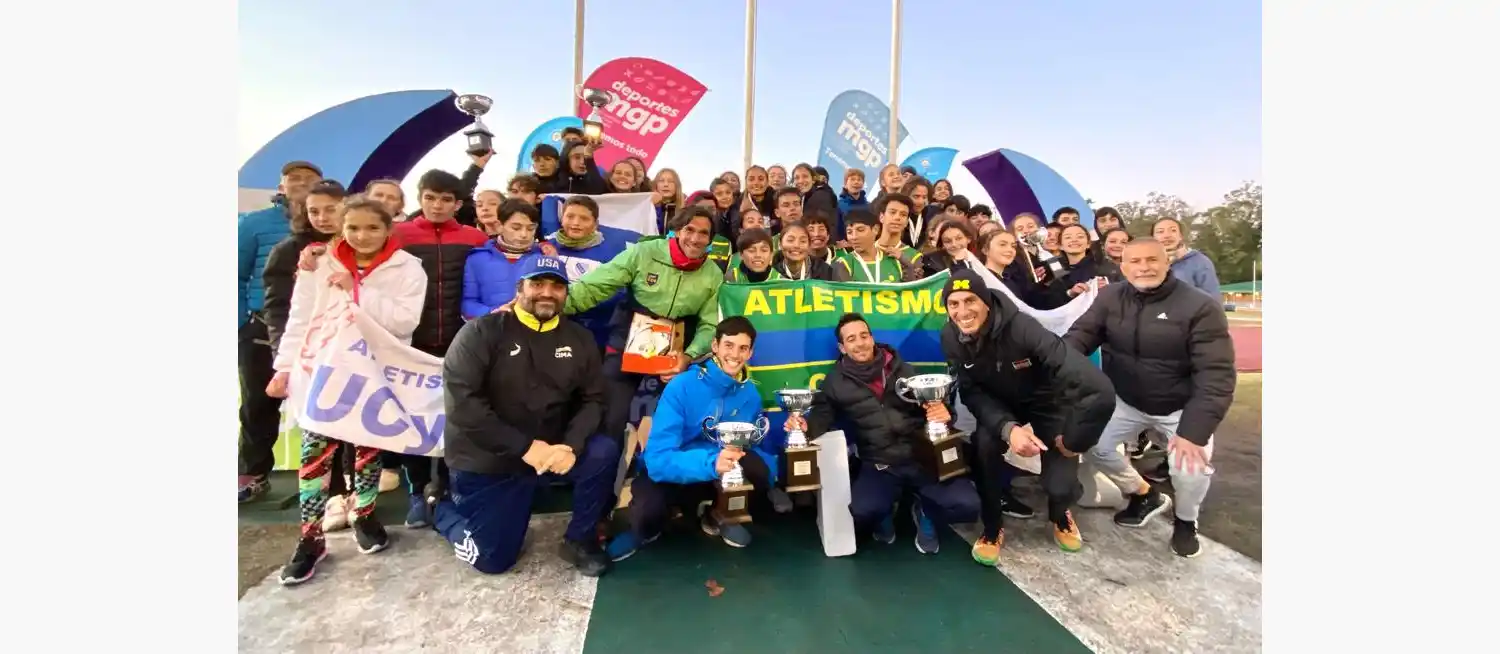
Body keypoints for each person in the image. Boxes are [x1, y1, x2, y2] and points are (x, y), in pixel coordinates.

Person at [268, 197, 428, 585]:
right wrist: (284, 367)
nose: (362, 236)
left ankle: (365, 514)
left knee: (368, 447)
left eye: (373, 228)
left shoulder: (408, 267)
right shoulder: (319, 263)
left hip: (374, 371)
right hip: (322, 371)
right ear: (341, 228)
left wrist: (359, 290)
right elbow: (299, 318)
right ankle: (310, 537)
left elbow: (405, 321)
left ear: (389, 229)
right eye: (353, 227)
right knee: (315, 453)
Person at [436, 256, 617, 576]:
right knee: (492, 560)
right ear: (519, 289)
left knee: (602, 451)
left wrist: (571, 446)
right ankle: (441, 508)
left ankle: (580, 538)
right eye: (537, 284)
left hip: (551, 451)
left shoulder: (580, 338)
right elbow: (464, 407)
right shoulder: (480, 332)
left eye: (557, 286)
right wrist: (525, 448)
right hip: (492, 458)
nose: (547, 292)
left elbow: (593, 400)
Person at [1063, 238, 1236, 558]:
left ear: (1167, 262)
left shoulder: (1200, 306)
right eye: (1135, 261)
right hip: (1127, 400)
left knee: (1189, 467)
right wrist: (1052, 363)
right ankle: (1143, 494)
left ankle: (1186, 521)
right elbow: (1080, 337)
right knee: (1092, 443)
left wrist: (1194, 432)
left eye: (1152, 260)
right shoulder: (1110, 297)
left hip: (1180, 407)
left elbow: (1216, 375)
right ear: (1123, 266)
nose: (1144, 267)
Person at [939, 267, 1116, 563]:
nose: (962, 311)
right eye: (953, 304)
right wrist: (1008, 429)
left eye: (970, 300)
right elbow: (971, 392)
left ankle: (1060, 515)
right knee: (984, 449)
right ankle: (992, 527)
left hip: (1046, 399)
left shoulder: (1022, 327)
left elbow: (1099, 391)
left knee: (1060, 485)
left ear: (986, 302)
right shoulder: (950, 336)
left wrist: (1075, 441)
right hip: (1000, 405)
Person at [792, 313, 981, 555]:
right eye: (851, 339)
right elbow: (821, 416)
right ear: (842, 347)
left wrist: (945, 413)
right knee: (862, 512)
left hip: (921, 457)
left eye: (864, 336)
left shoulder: (903, 369)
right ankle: (884, 514)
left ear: (872, 338)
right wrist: (804, 428)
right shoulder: (835, 382)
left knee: (967, 505)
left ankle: (925, 511)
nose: (860, 343)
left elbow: (938, 406)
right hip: (879, 463)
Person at [606, 317, 778, 558]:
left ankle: (717, 513)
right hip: (678, 469)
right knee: (648, 512)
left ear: (750, 353)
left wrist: (773, 469)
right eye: (728, 345)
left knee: (756, 469)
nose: (735, 354)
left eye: (743, 348)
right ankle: (644, 530)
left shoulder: (750, 394)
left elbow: (755, 445)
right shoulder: (682, 386)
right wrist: (711, 463)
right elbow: (658, 460)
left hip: (717, 471)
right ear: (715, 346)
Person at [560, 206, 725, 446]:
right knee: (610, 411)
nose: (695, 238)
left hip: (675, 350)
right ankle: (604, 458)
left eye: (703, 233)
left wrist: (689, 356)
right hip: (629, 337)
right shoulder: (644, 252)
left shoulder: (713, 274)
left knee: (669, 421)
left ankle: (657, 463)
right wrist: (556, 305)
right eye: (689, 230)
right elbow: (596, 285)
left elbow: (710, 324)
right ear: (677, 230)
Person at [262, 180, 366, 527]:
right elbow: (286, 312)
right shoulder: (297, 254)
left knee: (359, 426)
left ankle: (358, 495)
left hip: (358, 354)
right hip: (314, 357)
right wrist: (285, 362)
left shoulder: (367, 248)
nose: (322, 217)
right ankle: (332, 496)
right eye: (314, 211)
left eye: (330, 209)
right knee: (321, 428)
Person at [389, 170, 490, 525]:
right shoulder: (398, 234)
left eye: (446, 199)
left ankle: (448, 488)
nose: (437, 205)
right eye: (430, 197)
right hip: (410, 344)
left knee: (457, 418)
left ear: (458, 204)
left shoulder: (475, 238)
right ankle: (418, 492)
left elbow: (504, 260)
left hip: (460, 343)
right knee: (413, 420)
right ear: (419, 198)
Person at [238, 160, 322, 503]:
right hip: (262, 328)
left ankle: (327, 482)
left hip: (319, 331)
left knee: (323, 407)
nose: (301, 183)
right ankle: (252, 474)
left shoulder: (332, 226)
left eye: (309, 179)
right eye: (293, 179)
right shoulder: (254, 223)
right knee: (258, 404)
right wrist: (241, 322)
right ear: (281, 187)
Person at [545, 195, 631, 348]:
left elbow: (617, 292)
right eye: (570, 216)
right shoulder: (546, 248)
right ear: (562, 219)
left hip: (597, 333)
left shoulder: (612, 253)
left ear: (595, 224)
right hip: (551, 330)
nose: (576, 223)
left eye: (584, 218)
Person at [461, 200, 543, 320]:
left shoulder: (544, 257)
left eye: (531, 229)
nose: (524, 234)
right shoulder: (477, 259)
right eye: (516, 228)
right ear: (499, 226)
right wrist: (493, 313)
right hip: (491, 326)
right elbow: (468, 303)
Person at [834, 209, 921, 283]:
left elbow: (909, 292)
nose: (854, 237)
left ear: (875, 229)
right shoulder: (844, 264)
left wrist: (907, 265)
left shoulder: (894, 260)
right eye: (849, 232)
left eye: (860, 230)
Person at [1154, 218, 1221, 299]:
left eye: (1173, 230)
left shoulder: (1199, 261)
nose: (1167, 236)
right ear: (1153, 237)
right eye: (1160, 232)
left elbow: (1213, 298)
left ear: (1181, 236)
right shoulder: (1144, 262)